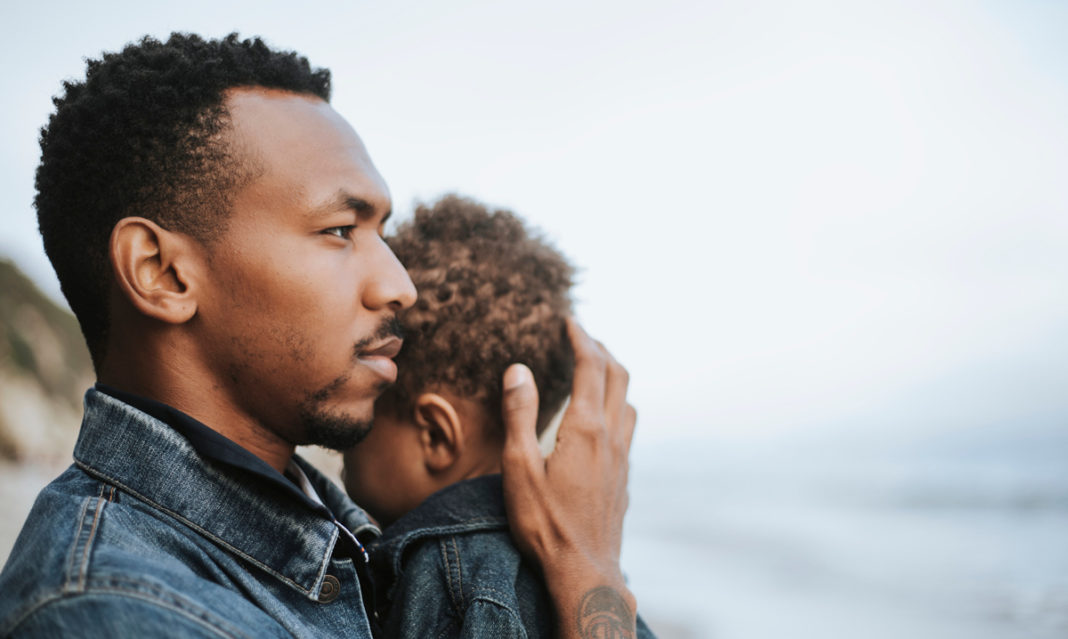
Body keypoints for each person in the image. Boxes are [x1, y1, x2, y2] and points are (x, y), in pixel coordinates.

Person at [0, 33, 638, 639]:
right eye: (339, 230)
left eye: (382, 233)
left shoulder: (342, 536)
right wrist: (587, 573)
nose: (400, 285)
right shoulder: (114, 608)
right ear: (162, 273)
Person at [344, 195, 655, 638]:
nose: (345, 438)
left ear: (436, 434)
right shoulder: (581, 570)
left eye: (371, 397)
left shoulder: (447, 575)